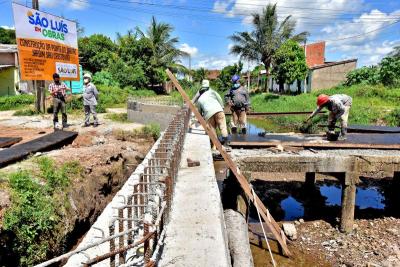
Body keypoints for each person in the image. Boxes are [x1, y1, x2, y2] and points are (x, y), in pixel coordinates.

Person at [194, 79, 229, 149]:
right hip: (219, 110)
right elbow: (220, 99)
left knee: (212, 130)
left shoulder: (200, 100)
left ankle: (214, 146)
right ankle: (225, 144)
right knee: (223, 127)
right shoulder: (212, 92)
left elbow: (200, 114)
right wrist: (222, 107)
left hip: (209, 114)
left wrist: (199, 120)